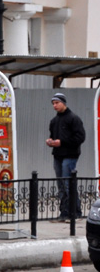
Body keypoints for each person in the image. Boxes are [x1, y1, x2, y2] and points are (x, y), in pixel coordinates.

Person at [46, 92, 86, 221]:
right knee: (61, 185)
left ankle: (75, 212)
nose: (55, 105)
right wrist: (50, 141)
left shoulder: (73, 118)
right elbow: (53, 135)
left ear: (63, 103)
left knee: (68, 183)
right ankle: (64, 212)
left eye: (57, 103)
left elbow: (80, 137)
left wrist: (61, 142)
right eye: (53, 103)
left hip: (70, 155)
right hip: (58, 155)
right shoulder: (54, 121)